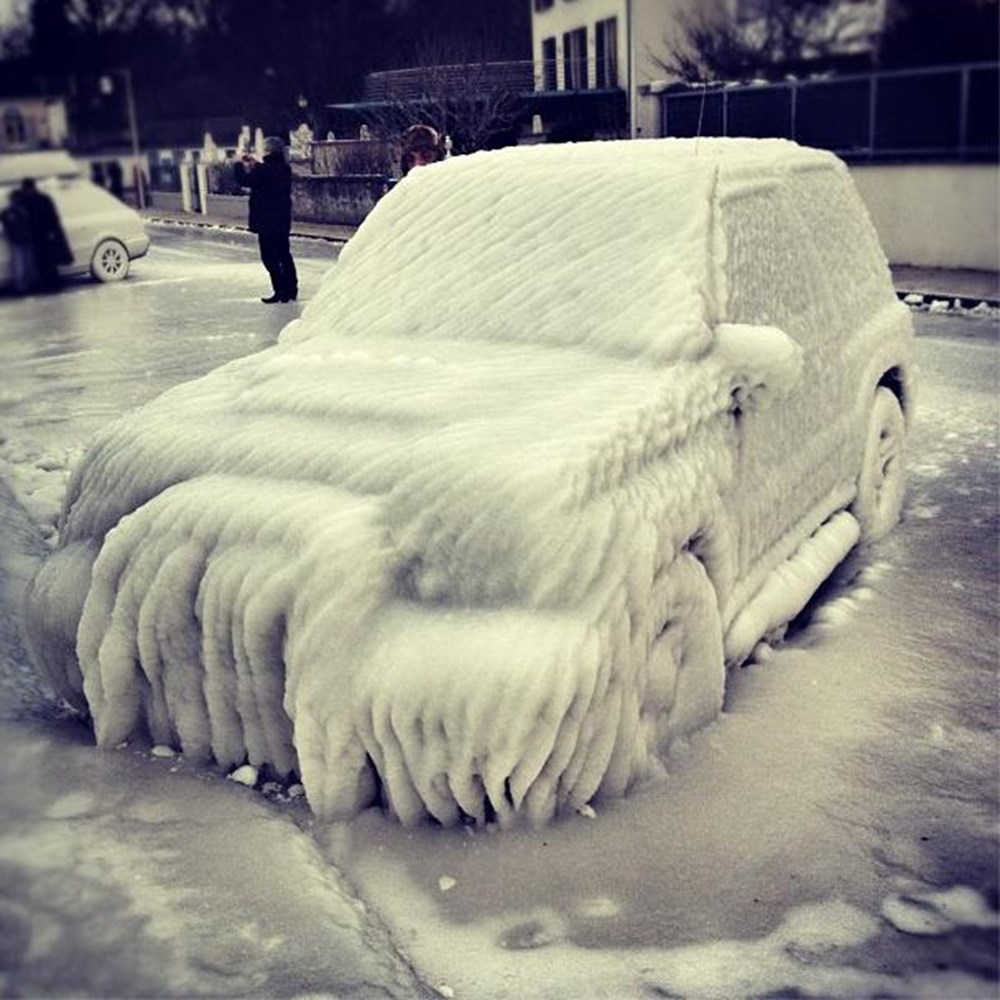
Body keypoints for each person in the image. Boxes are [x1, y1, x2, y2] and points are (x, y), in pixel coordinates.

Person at [234, 136, 297, 304]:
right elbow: (267, 175)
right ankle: (291, 289)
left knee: (269, 257)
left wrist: (238, 165)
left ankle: (280, 290)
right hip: (282, 219)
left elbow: (245, 181)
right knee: (284, 254)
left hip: (266, 221)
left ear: (268, 151)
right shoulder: (284, 168)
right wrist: (256, 164)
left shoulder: (264, 170)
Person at [19, 178, 73, 292]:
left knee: (47, 261)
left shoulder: (39, 200)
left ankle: (53, 284)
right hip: (39, 235)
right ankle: (49, 284)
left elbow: (52, 217)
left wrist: (53, 232)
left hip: (44, 235)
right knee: (42, 261)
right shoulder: (39, 199)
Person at [1, 187, 38, 294]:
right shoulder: (17, 211)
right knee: (22, 264)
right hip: (20, 240)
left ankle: (24, 285)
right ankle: (23, 286)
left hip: (21, 239)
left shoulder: (13, 211)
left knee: (23, 264)